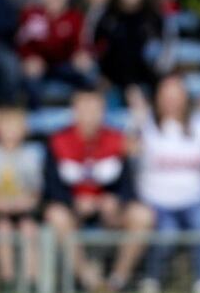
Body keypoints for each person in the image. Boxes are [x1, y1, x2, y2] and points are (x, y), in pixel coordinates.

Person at [43, 89, 153, 291]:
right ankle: (88, 280)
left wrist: (115, 201)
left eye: (95, 110)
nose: (90, 116)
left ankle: (116, 282)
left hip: (109, 213)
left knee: (142, 215)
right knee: (55, 215)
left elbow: (128, 186)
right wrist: (73, 202)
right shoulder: (58, 141)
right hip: (74, 212)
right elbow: (51, 189)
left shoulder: (117, 140)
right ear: (74, 111)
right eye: (84, 109)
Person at [126, 75, 200, 293]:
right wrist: (136, 121)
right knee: (165, 236)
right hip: (156, 201)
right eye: (166, 95)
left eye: (176, 95)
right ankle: (151, 280)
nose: (171, 101)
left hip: (194, 200)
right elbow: (128, 151)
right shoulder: (146, 123)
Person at [0, 108, 41, 292]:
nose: (10, 132)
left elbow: (36, 192)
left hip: (23, 212)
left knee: (29, 230)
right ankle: (8, 283)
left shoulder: (31, 156)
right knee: (3, 229)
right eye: (6, 126)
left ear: (25, 130)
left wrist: (25, 202)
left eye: (15, 127)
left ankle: (31, 284)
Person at [16, 0, 95, 109]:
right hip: (39, 66)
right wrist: (27, 58)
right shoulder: (31, 15)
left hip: (66, 64)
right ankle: (35, 117)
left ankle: (84, 112)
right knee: (29, 77)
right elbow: (21, 44)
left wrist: (81, 56)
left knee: (89, 72)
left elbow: (81, 45)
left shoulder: (75, 18)